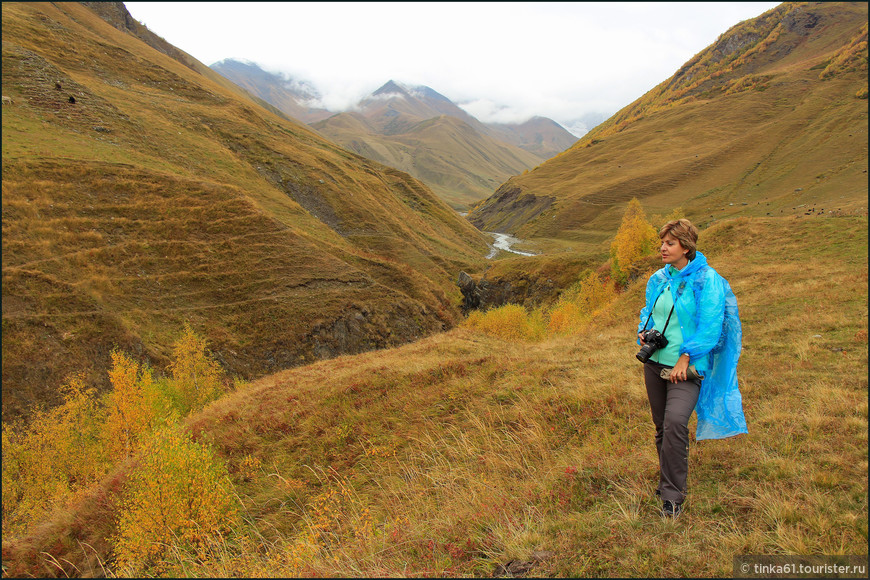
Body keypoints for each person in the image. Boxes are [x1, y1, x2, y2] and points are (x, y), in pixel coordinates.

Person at [636, 218, 747, 518]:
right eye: (662, 242)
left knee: (675, 422)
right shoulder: (658, 279)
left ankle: (672, 497)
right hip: (655, 364)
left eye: (670, 243)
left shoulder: (706, 280)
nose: (663, 248)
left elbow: (711, 326)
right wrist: (643, 333)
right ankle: (667, 481)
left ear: (686, 247)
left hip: (687, 369)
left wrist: (686, 356)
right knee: (662, 427)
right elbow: (648, 312)